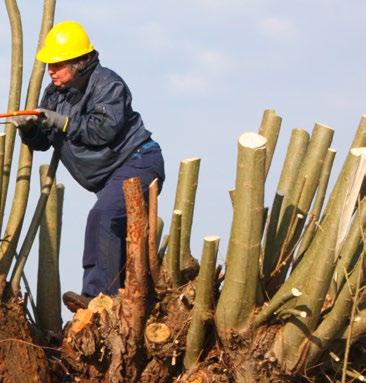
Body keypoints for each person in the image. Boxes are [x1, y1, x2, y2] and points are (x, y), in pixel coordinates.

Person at [12, 20, 165, 312]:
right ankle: (123, 305)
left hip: (139, 162)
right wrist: (29, 129)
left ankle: (98, 300)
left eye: (57, 65)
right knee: (114, 236)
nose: (51, 71)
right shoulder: (55, 94)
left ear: (80, 62)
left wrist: (62, 121)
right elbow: (44, 142)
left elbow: (102, 131)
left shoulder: (108, 84)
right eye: (49, 65)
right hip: (110, 179)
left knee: (103, 215)